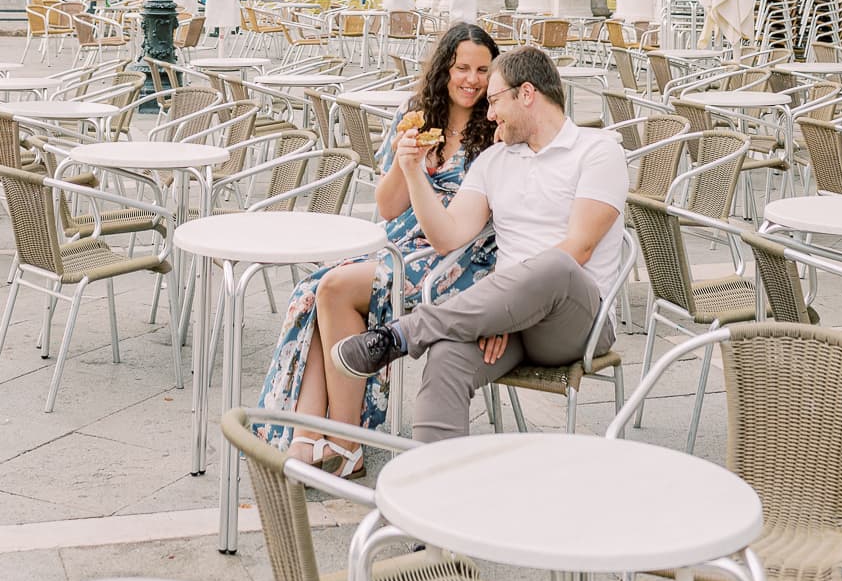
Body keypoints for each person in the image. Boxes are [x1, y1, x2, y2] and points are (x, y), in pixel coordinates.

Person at [332, 45, 628, 444]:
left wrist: (505, 312)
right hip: (507, 318)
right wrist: (412, 171)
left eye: (493, 100)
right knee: (446, 358)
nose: (488, 115)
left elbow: (579, 248)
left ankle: (402, 334)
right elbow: (447, 236)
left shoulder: (598, 150)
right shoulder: (493, 161)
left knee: (557, 267)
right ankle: (432, 490)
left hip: (575, 320)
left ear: (526, 94)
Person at [257, 23, 499, 473]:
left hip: (457, 263)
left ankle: (343, 440)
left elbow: (476, 226)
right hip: (401, 248)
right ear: (444, 68)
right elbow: (389, 207)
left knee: (332, 290)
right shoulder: (417, 116)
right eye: (462, 67)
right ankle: (310, 434)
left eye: (483, 69)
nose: (472, 79)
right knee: (315, 292)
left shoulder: (495, 130)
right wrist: (407, 163)